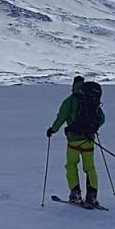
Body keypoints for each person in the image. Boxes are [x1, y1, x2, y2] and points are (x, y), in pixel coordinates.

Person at [46, 75, 105, 207]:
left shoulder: (70, 100)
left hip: (73, 140)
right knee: (89, 167)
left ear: (73, 85)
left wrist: (52, 130)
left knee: (71, 165)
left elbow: (61, 117)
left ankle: (75, 193)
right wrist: (92, 129)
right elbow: (102, 118)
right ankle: (92, 196)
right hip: (89, 140)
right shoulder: (92, 99)